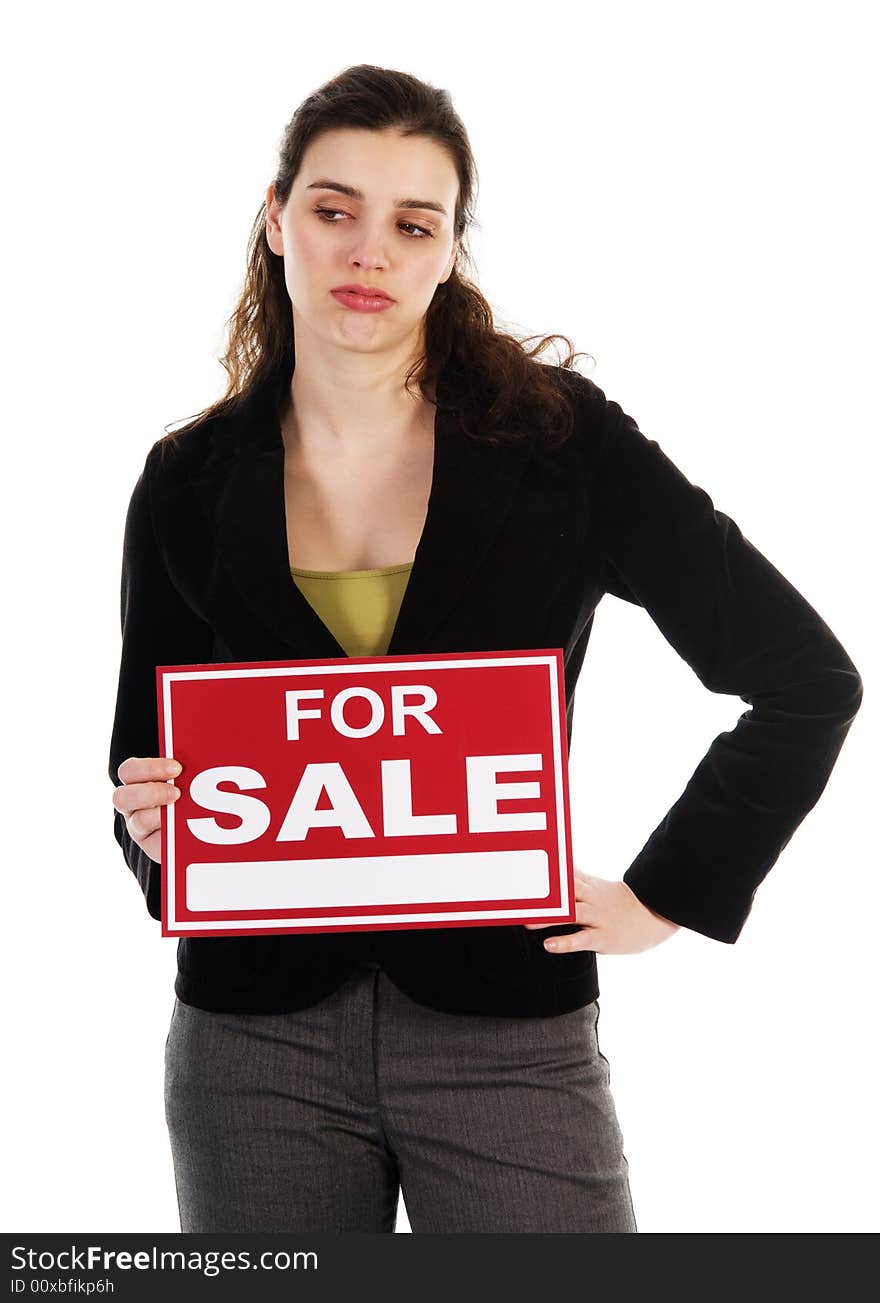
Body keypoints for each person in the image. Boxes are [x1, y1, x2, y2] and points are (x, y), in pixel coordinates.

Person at [108, 65, 863, 1234]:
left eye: (413, 223)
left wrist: (666, 893)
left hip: (505, 1033)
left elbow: (806, 680)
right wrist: (159, 832)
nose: (370, 251)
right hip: (250, 1046)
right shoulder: (186, 481)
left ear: (450, 248)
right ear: (275, 218)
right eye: (333, 208)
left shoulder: (562, 443)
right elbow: (143, 771)